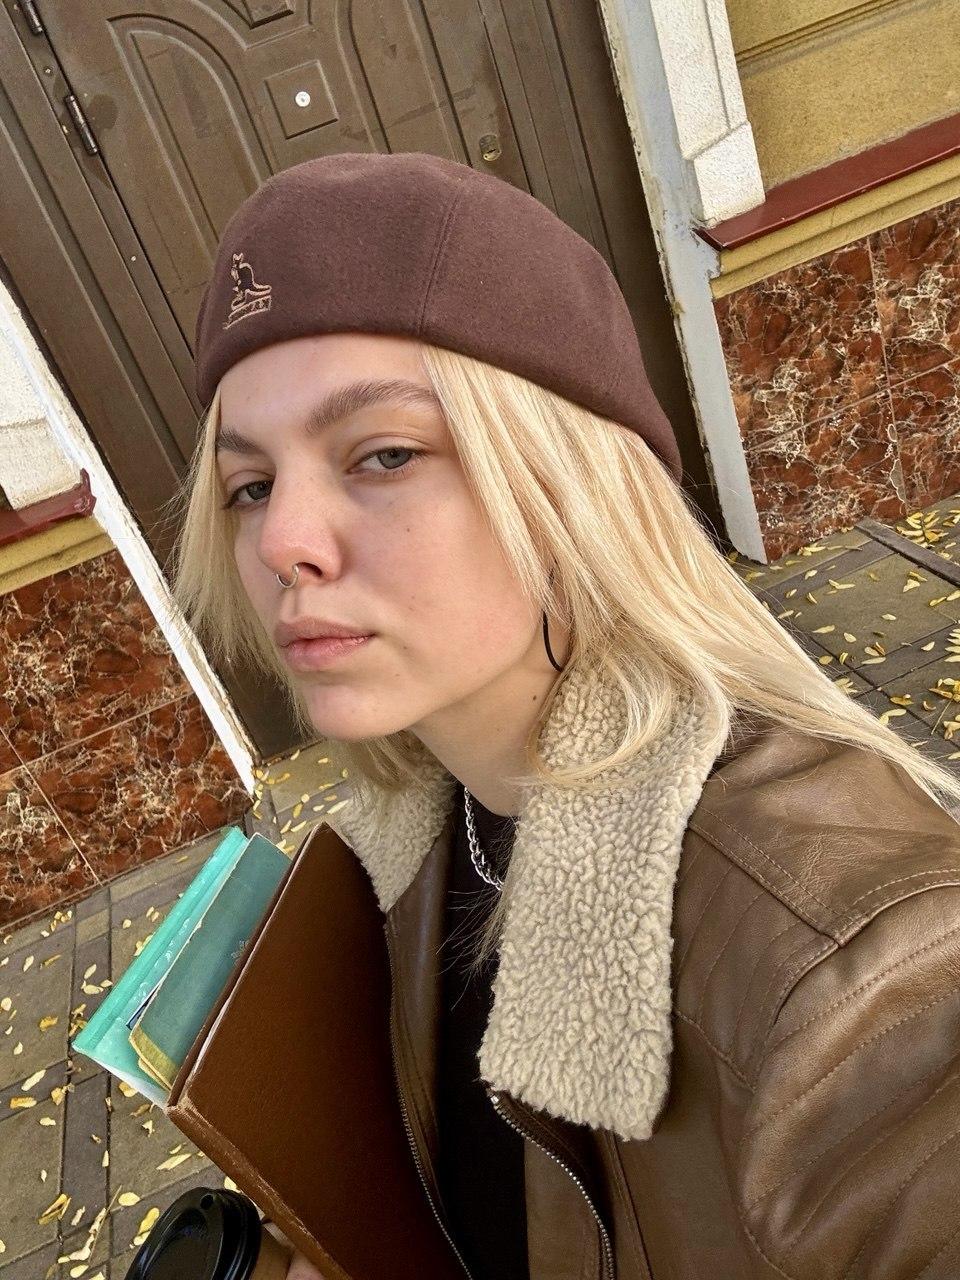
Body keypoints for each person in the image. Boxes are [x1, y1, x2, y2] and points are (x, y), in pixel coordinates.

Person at [169, 152, 960, 1279]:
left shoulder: (857, 973)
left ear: (570, 485)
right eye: (251, 486)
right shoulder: (413, 839)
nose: (285, 542)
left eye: (384, 454)